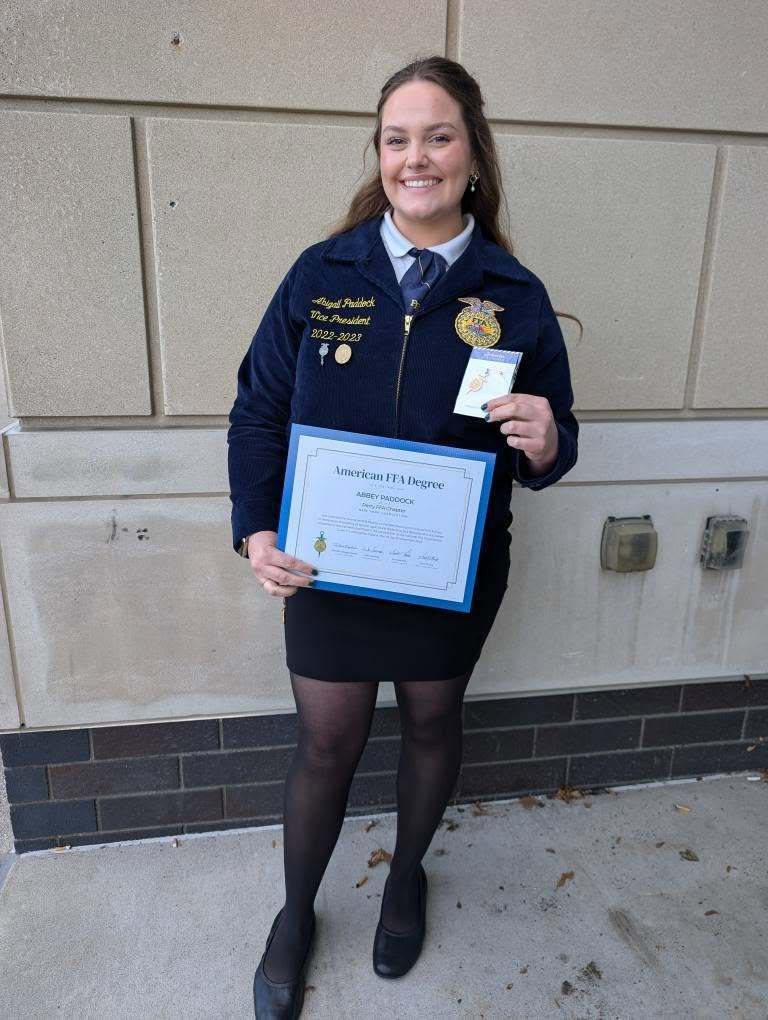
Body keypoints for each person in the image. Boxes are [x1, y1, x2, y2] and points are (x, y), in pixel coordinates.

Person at [228, 55, 579, 1018]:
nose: (414, 156)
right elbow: (257, 412)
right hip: (329, 564)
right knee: (327, 741)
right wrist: (256, 529)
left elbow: (550, 442)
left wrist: (550, 443)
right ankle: (297, 914)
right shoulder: (323, 271)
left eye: (437, 136)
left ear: (472, 156)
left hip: (446, 568)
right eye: (396, 138)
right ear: (378, 155)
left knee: (431, 723)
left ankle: (404, 876)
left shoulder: (513, 292)